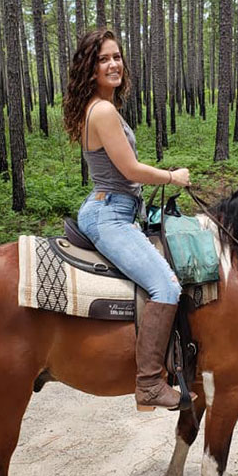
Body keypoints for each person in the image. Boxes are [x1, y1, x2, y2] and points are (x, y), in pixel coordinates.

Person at [62, 28, 192, 412]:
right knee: (167, 286)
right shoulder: (103, 111)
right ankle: (150, 383)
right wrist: (173, 177)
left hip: (113, 208)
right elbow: (131, 170)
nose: (113, 64)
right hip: (110, 216)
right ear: (90, 67)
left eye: (116, 56)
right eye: (103, 59)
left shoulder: (100, 106)